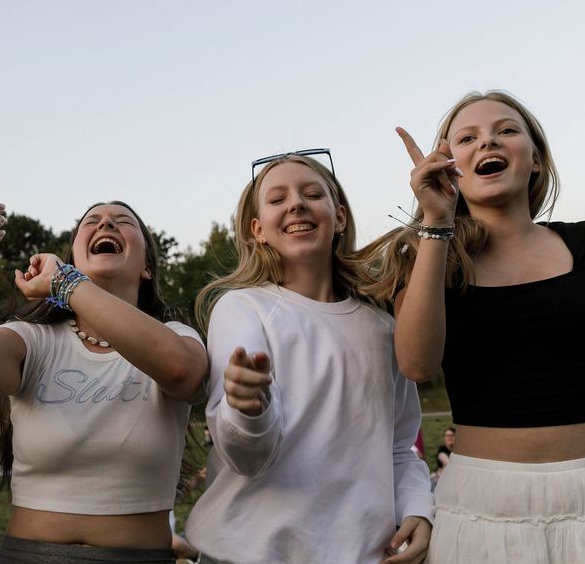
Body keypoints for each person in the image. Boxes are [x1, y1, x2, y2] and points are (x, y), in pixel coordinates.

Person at [381, 90, 585, 562]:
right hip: (478, 508)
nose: (488, 142)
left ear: (535, 159)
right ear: (449, 166)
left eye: (506, 131)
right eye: (467, 138)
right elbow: (416, 362)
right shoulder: (431, 254)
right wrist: (436, 225)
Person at [0, 169, 209, 564]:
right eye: (92, 221)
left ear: (147, 268)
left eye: (123, 221)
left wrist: (68, 285)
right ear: (73, 258)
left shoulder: (176, 336)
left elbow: (183, 373)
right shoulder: (34, 339)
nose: (105, 222)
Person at [184, 151, 433, 564]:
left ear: (339, 217)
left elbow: (400, 447)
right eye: (277, 198)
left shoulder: (382, 327)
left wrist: (417, 508)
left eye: (311, 193)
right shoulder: (242, 308)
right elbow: (246, 456)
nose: (296, 203)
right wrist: (249, 409)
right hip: (248, 555)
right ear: (257, 230)